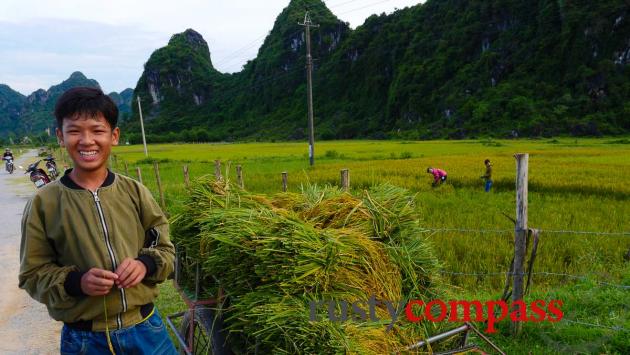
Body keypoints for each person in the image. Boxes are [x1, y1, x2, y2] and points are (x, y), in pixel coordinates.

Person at [19, 87, 177, 354]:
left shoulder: (135, 192)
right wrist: (76, 282)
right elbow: (32, 275)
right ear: (60, 136)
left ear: (114, 136)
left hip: (147, 330)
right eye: (74, 131)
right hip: (84, 340)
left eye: (97, 130)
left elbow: (166, 251)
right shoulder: (44, 203)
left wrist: (145, 264)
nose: (87, 140)